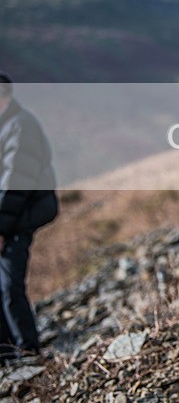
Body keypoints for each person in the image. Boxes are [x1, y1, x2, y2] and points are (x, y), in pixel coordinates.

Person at [0, 72, 58, 365]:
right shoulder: (6, 126)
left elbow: (14, 184)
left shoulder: (19, 127)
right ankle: (7, 352)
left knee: (9, 286)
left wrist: (1, 227)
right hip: (9, 221)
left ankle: (27, 352)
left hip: (17, 221)